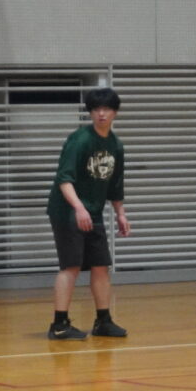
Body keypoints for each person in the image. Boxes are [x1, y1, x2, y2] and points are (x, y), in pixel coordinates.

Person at [46, 87, 130, 340]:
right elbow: (64, 179)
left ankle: (103, 321)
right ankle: (59, 324)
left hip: (92, 211)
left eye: (106, 109)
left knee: (101, 265)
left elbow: (115, 185)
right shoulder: (80, 140)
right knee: (71, 266)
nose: (101, 114)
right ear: (91, 113)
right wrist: (79, 208)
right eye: (96, 109)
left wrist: (120, 213)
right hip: (67, 209)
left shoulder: (116, 145)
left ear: (115, 113)